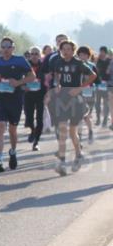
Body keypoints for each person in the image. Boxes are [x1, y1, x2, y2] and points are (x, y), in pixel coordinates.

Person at [48, 40, 96, 174]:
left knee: (72, 132)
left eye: (68, 49)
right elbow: (57, 74)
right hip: (63, 99)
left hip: (77, 100)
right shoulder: (58, 63)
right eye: (63, 49)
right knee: (62, 130)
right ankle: (62, 162)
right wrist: (57, 84)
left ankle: (79, 155)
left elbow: (93, 75)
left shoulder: (79, 63)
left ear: (73, 50)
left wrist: (79, 87)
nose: (66, 51)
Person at [0, 37, 35, 172]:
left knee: (12, 131)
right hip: (1, 99)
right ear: (0, 48)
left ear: (13, 48)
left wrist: (19, 82)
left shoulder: (20, 60)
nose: (6, 49)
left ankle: (13, 152)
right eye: (3, 47)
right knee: (0, 127)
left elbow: (32, 76)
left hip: (16, 99)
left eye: (8, 47)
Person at [23, 47, 45, 150]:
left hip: (41, 94)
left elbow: (49, 78)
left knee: (40, 119)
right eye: (33, 54)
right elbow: (19, 79)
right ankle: (32, 130)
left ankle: (36, 142)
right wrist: (23, 86)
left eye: (37, 54)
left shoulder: (44, 65)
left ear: (40, 55)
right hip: (28, 94)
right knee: (29, 118)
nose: (34, 56)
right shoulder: (25, 65)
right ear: (30, 55)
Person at [95, 46, 110, 128]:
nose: (101, 53)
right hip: (98, 84)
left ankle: (105, 119)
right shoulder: (98, 61)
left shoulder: (109, 61)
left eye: (102, 52)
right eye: (100, 51)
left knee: (105, 103)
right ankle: (98, 118)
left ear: (105, 52)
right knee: (97, 102)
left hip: (107, 84)